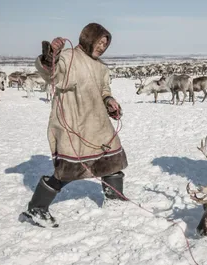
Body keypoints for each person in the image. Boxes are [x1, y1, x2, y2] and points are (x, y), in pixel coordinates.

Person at [21, 23, 128, 228]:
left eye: (105, 43)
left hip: (98, 123)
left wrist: (109, 102)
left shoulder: (101, 67)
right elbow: (52, 74)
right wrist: (52, 55)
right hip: (74, 123)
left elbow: (104, 90)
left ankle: (114, 200)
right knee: (69, 169)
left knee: (112, 160)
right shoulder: (69, 57)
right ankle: (36, 208)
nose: (102, 46)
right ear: (89, 38)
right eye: (99, 42)